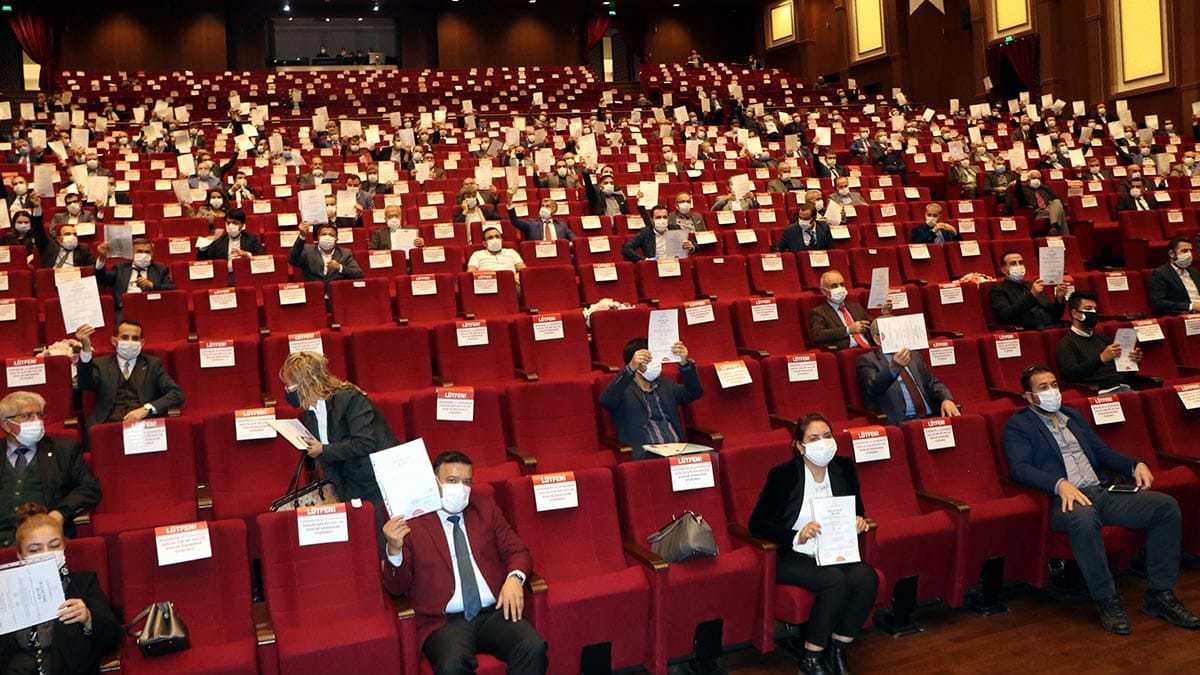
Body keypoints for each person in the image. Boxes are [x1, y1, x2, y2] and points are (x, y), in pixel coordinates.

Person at [1004, 365, 1200, 635]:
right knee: (1084, 520)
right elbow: (1020, 468)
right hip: (1065, 500)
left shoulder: (1071, 415)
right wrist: (1059, 484)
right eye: (1043, 388)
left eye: (1054, 385)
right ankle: (1107, 600)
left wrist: (1134, 465)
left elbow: (1101, 451)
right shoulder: (1019, 424)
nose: (1052, 392)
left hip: (1101, 491)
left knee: (1165, 507)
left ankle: (1160, 594)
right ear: (1028, 397)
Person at [381, 451, 547, 674]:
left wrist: (515, 579)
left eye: (466, 482)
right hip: (444, 621)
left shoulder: (484, 508)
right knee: (452, 665)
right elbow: (397, 587)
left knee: (532, 647)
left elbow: (518, 551)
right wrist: (394, 549)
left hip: (493, 612)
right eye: (452, 481)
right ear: (434, 482)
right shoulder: (410, 521)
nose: (460, 488)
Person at [749, 413, 877, 675]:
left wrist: (859, 521)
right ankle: (811, 657)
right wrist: (797, 535)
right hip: (791, 553)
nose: (823, 443)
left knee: (866, 577)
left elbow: (857, 510)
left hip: (832, 550)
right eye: (814, 438)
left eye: (827, 436)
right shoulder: (783, 475)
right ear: (799, 446)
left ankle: (838, 647)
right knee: (834, 580)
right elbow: (757, 524)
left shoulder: (844, 468)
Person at [281, 352, 394, 544]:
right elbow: (327, 458)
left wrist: (323, 450)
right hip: (348, 483)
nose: (286, 391)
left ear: (306, 384)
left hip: (376, 482)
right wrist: (337, 490)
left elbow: (365, 443)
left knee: (379, 544)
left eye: (289, 386)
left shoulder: (351, 399)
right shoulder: (309, 412)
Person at [0, 503, 121, 672]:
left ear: (64, 546)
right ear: (20, 556)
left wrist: (88, 618)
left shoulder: (84, 583)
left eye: (54, 545)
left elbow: (113, 637)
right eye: (35, 550)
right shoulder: (5, 591)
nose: (46, 553)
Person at [0, 392, 101, 547]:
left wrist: (60, 513)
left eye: (39, 415)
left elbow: (89, 488)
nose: (37, 421)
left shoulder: (65, 450)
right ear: (6, 424)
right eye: (27, 416)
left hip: (44, 540)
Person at [599, 339, 702, 460]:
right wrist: (629, 369)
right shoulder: (622, 389)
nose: (654, 363)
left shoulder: (665, 384)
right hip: (646, 456)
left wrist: (685, 364)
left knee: (712, 460)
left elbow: (694, 392)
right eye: (648, 360)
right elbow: (606, 401)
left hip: (678, 451)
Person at [74, 321, 184, 427]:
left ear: (142, 343)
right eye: (125, 337)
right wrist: (86, 348)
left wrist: (146, 409)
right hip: (107, 424)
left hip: (143, 425)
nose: (130, 342)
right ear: (114, 341)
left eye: (135, 338)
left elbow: (176, 394)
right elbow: (84, 383)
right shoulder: (101, 364)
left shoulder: (153, 365)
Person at [857, 320, 960, 424]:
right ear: (877, 339)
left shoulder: (914, 356)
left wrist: (946, 399)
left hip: (930, 417)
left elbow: (932, 382)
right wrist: (893, 368)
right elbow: (872, 389)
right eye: (892, 333)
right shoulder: (868, 360)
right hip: (899, 422)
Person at [1055, 291, 1143, 392]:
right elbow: (1071, 375)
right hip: (1099, 392)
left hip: (1121, 386)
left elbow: (1123, 374)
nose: (1093, 313)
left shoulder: (1102, 338)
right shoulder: (1066, 343)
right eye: (1088, 309)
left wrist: (1132, 361)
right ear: (1075, 314)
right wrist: (1101, 359)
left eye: (1095, 309)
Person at [988, 250, 1068, 329]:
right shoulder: (998, 289)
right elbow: (1006, 315)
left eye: (1021, 262)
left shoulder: (1032, 285)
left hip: (1050, 326)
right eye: (1013, 263)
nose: (1018, 266)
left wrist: (1059, 299)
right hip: (1027, 328)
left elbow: (1055, 315)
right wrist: (1032, 295)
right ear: (1003, 270)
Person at [95, 238, 175, 312]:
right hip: (125, 310)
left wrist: (152, 285)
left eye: (147, 252)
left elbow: (171, 289)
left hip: (151, 309)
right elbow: (102, 279)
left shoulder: (160, 269)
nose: (143, 255)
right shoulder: (120, 268)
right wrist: (102, 258)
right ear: (132, 253)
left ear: (152, 254)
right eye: (139, 251)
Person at [809, 271, 875, 350]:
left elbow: (871, 324)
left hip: (868, 348)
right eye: (834, 286)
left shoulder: (856, 307)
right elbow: (818, 335)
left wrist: (883, 315)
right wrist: (848, 330)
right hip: (846, 350)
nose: (840, 288)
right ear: (824, 291)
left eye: (842, 284)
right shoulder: (819, 312)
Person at [289, 222, 364, 290]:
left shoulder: (345, 253)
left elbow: (358, 273)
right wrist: (302, 236)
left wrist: (340, 267)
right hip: (314, 295)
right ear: (318, 238)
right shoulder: (307, 250)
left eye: (331, 235)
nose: (327, 237)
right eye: (324, 234)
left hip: (336, 295)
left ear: (336, 239)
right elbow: (292, 260)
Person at [621, 206, 694, 262]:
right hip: (654, 268)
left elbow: (695, 245)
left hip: (675, 264)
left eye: (665, 217)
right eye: (658, 217)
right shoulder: (645, 233)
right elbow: (626, 249)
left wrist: (691, 246)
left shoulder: (676, 229)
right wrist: (644, 260)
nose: (662, 220)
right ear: (652, 219)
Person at [1148, 237, 1200, 315]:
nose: (1189, 254)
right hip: (1185, 314)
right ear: (1171, 254)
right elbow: (1158, 303)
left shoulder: (1194, 271)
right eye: (1184, 251)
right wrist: (1191, 306)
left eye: (1190, 251)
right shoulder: (1160, 274)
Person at [197, 209, 264, 261]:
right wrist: (203, 246)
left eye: (235, 223)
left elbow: (262, 257)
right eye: (228, 223)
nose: (231, 225)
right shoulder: (218, 241)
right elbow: (206, 261)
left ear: (243, 225)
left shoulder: (252, 239)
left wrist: (247, 254)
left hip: (246, 272)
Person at [1015, 170, 1069, 234]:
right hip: (1038, 211)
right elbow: (1018, 193)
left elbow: (1055, 198)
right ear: (1028, 179)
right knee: (1061, 212)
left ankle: (1054, 226)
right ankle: (1064, 236)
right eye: (1034, 178)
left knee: (1056, 201)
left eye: (1038, 178)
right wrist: (1018, 178)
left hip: (1049, 209)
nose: (1036, 180)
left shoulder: (1044, 188)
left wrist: (1045, 188)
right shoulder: (1023, 188)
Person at [508, 198, 575, 241]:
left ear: (554, 210)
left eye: (547, 206)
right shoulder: (531, 223)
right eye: (542, 206)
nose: (544, 208)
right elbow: (515, 221)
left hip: (559, 254)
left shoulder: (562, 225)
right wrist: (510, 203)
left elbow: (573, 238)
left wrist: (571, 243)